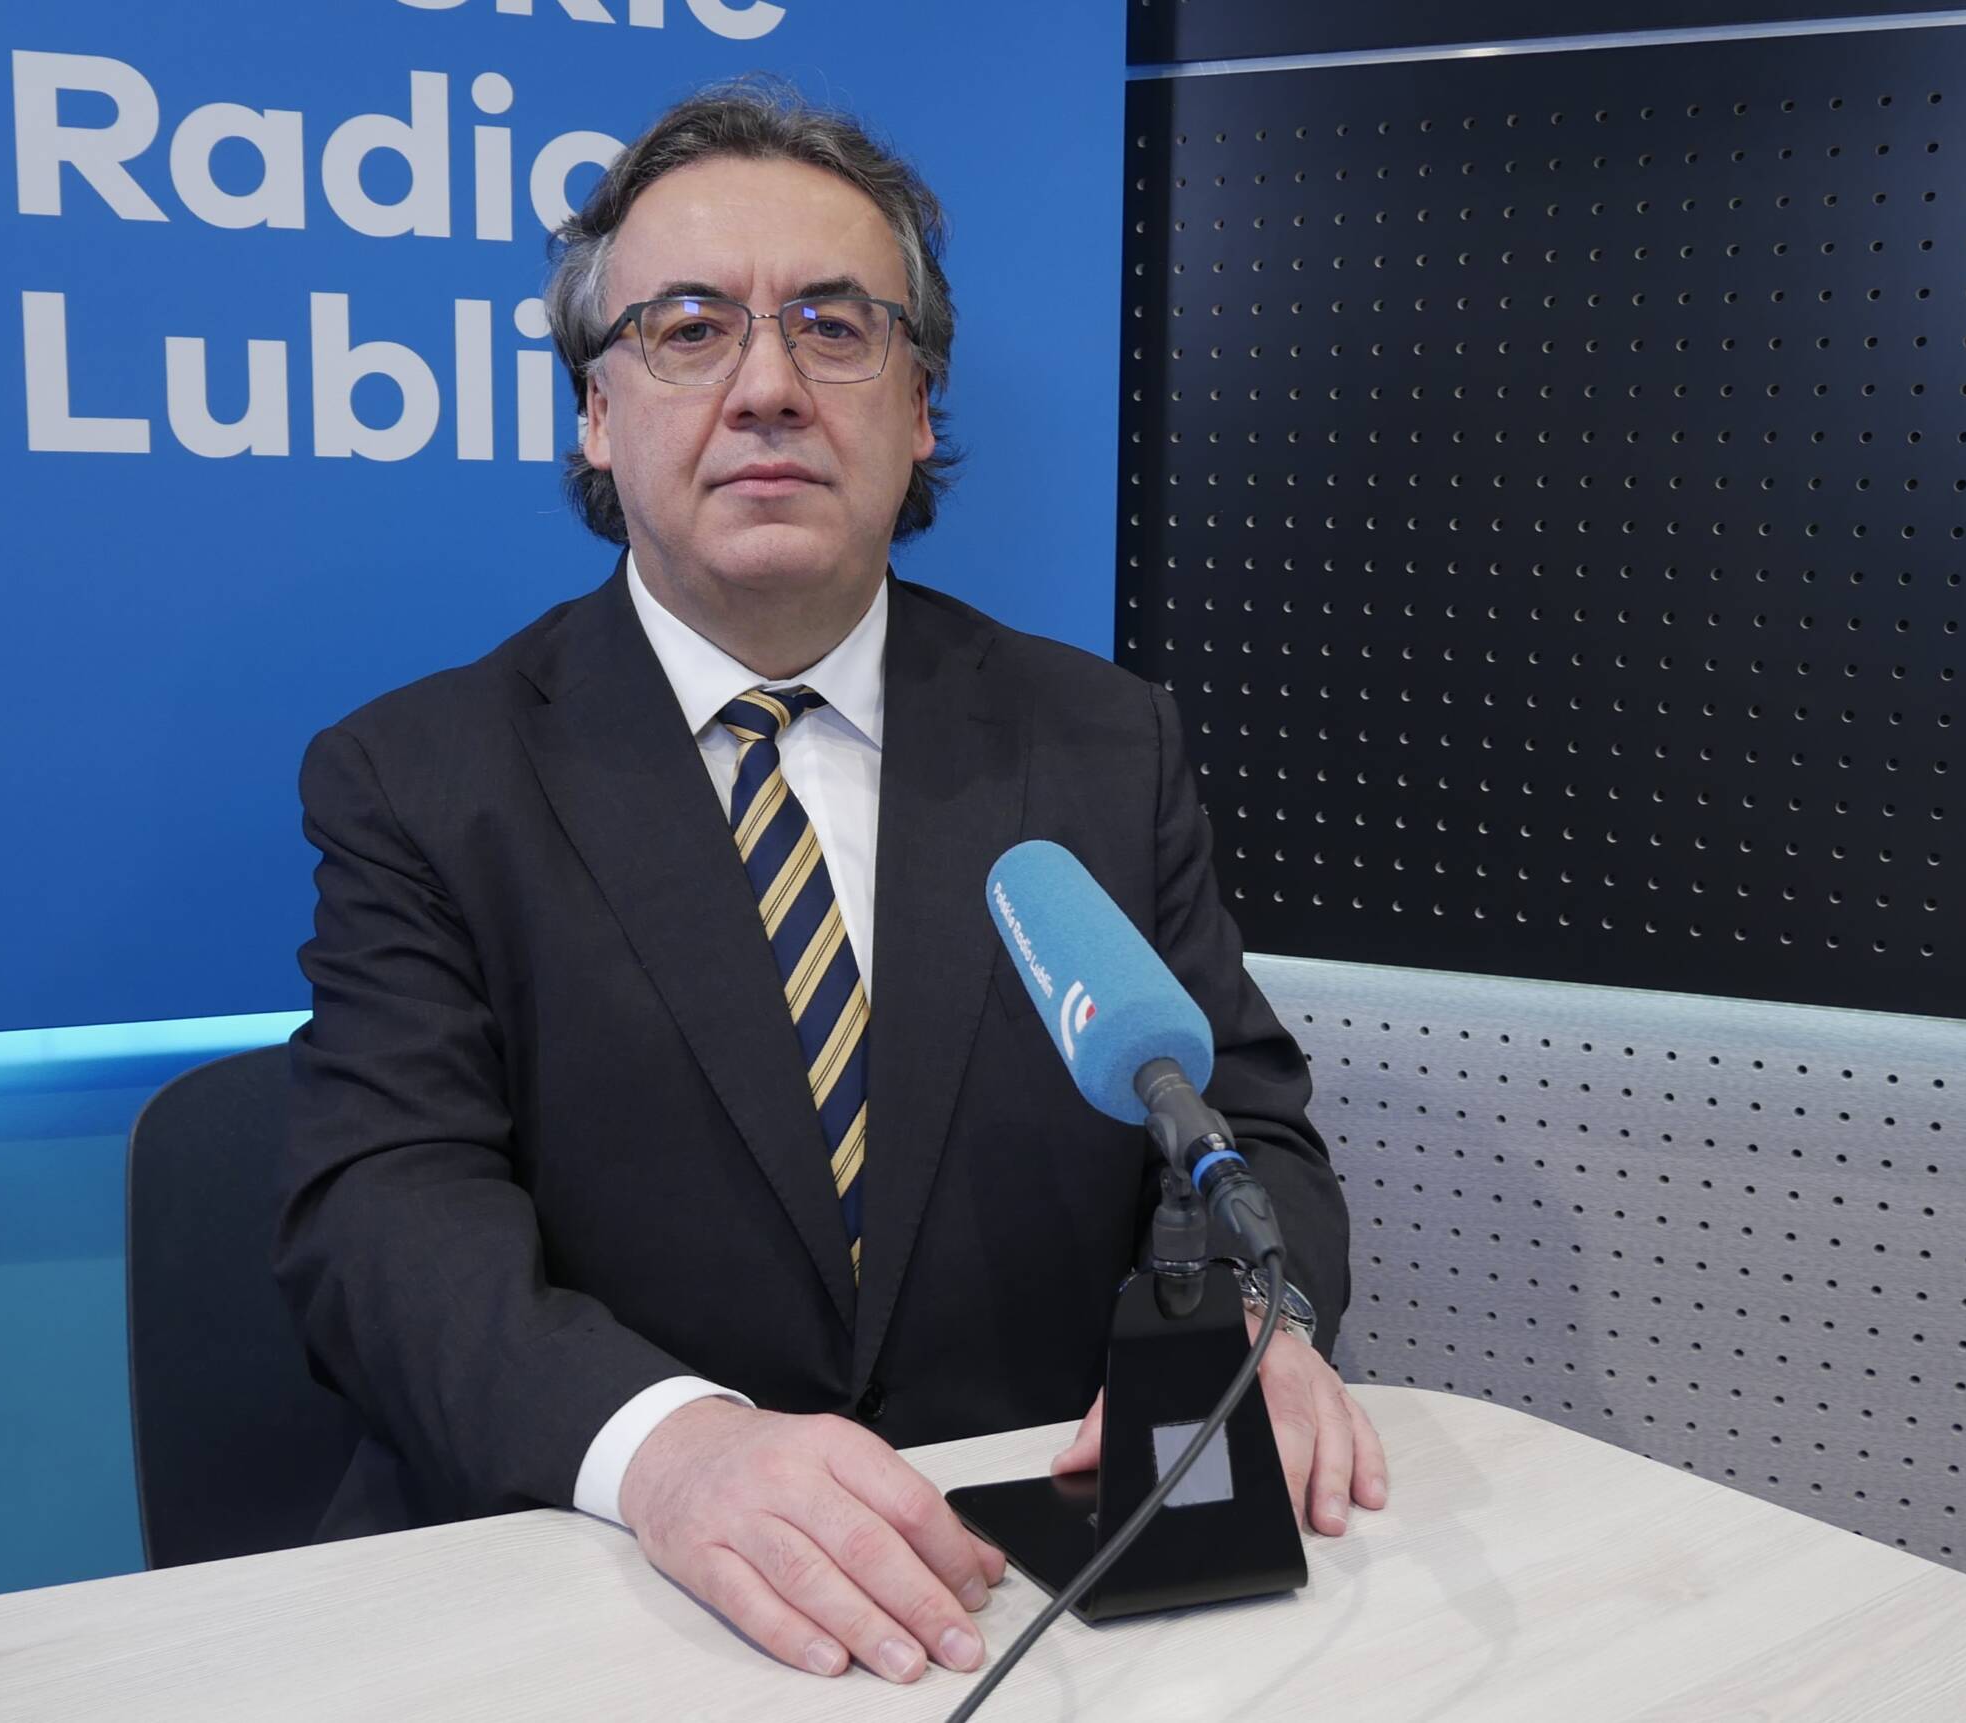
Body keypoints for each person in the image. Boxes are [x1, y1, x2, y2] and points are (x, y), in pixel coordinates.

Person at [275, 75, 1387, 1689]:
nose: (768, 388)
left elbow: (1240, 1127)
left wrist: (1230, 1335)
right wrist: (668, 1450)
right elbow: (382, 1212)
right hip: (597, 1595)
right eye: (687, 330)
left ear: (918, 405)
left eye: (834, 326)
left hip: (1026, 1595)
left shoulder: (1098, 740)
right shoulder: (421, 778)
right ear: (595, 414)